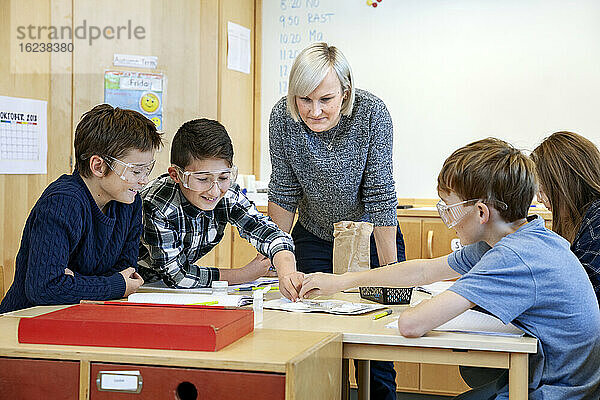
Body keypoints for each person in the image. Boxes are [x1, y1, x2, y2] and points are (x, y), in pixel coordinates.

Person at [299, 138, 600, 399]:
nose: (445, 215)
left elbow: (412, 324)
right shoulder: (526, 236)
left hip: (554, 390)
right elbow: (422, 271)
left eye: (448, 206)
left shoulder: (512, 256)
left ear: (481, 212)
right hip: (559, 379)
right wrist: (340, 282)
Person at [268, 42, 404, 399]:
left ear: (345, 93)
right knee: (314, 337)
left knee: (378, 343)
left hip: (371, 233)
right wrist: (277, 258)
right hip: (313, 234)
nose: (314, 111)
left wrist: (391, 272)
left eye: (325, 100)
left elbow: (380, 193)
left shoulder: (372, 113)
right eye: (304, 99)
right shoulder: (282, 117)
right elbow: (283, 191)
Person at [0, 104, 163, 314]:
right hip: (26, 321)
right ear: (98, 166)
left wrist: (75, 281)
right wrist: (114, 285)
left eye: (147, 170)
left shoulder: (129, 203)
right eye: (137, 171)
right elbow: (44, 289)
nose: (144, 181)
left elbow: (127, 274)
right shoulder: (62, 202)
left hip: (83, 317)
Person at [138, 119, 301, 300]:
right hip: (138, 287)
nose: (215, 191)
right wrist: (244, 275)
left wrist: (286, 270)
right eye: (202, 179)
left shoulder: (226, 193)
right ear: (177, 175)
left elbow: (267, 232)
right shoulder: (158, 205)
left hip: (170, 291)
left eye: (224, 177)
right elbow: (178, 276)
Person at [531, 131, 600, 302]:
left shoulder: (596, 224)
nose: (539, 199)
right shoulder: (584, 219)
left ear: (564, 182)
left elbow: (580, 297)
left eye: (542, 190)